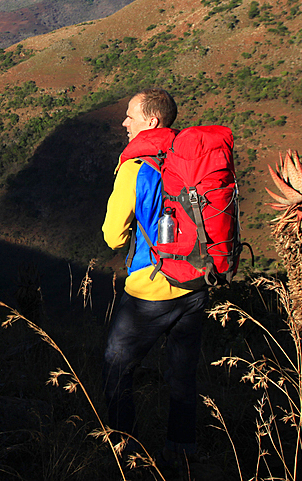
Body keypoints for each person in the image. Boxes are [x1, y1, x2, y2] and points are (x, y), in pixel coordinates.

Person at [101, 88, 207, 464]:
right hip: (196, 282)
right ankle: (182, 452)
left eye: (131, 115)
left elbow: (112, 235)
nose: (125, 122)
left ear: (152, 121)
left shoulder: (135, 166)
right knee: (182, 374)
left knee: (116, 367)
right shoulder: (193, 158)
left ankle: (123, 452)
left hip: (152, 289)